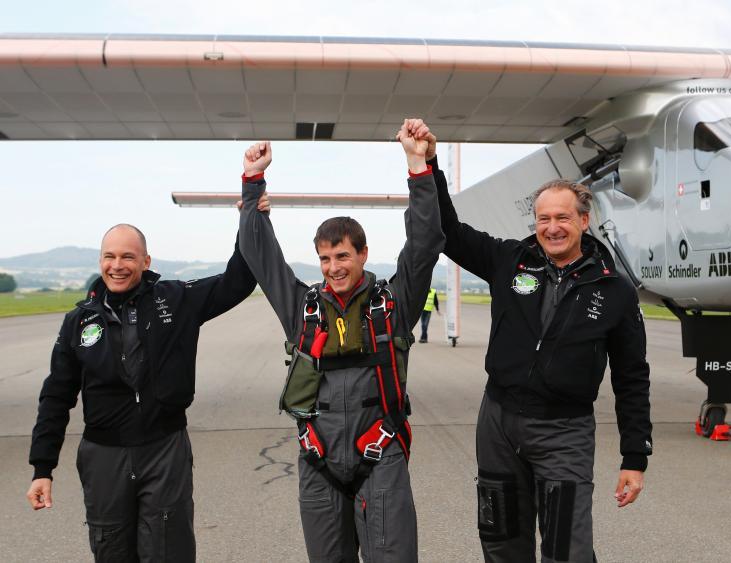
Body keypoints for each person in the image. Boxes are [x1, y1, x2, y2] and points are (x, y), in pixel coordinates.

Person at [420, 124, 652, 562]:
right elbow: (446, 229)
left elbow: (632, 378)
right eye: (543, 218)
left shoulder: (615, 290)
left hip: (564, 432)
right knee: (502, 541)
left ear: (585, 220)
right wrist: (429, 164)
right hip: (499, 425)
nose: (552, 227)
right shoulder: (509, 260)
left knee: (568, 550)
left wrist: (634, 456)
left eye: (563, 217)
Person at [237, 119, 443, 562]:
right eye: (326, 258)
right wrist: (253, 183)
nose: (334, 267)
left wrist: (417, 167)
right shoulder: (303, 310)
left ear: (363, 254)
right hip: (319, 457)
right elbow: (261, 256)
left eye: (343, 255)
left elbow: (425, 243)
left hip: (380, 452)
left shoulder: (393, 304)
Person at [26, 223, 256, 561]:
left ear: (146, 261)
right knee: (111, 549)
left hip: (164, 448)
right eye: (110, 257)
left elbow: (238, 281)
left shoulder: (176, 299)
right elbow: (56, 396)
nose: (117, 265)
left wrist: (251, 209)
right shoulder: (78, 321)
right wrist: (42, 468)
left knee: (169, 549)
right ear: (100, 260)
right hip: (104, 455)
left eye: (127, 257)